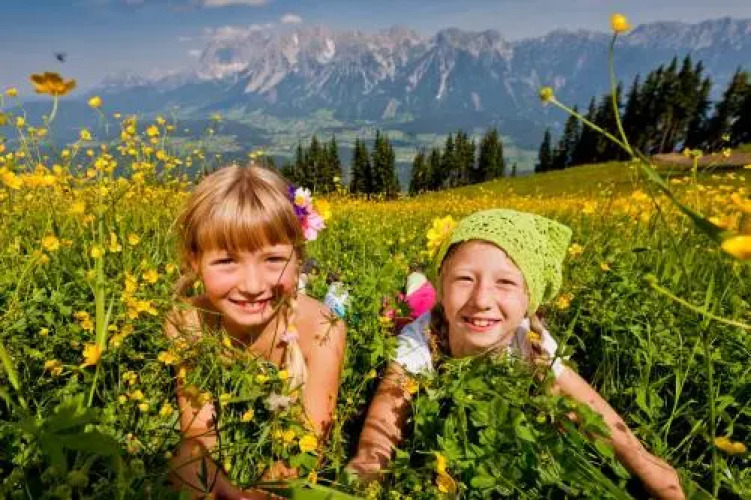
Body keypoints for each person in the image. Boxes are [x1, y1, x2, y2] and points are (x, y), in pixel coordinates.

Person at [347, 209, 684, 500]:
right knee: (412, 302)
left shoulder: (529, 340)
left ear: (528, 300)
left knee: (420, 295)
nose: (481, 299)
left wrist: (644, 463)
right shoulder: (420, 339)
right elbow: (385, 413)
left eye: (505, 283)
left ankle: (419, 283)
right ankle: (419, 283)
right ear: (444, 286)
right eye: (464, 278)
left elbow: (588, 406)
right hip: (431, 311)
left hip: (449, 309)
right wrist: (368, 464)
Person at [165, 165, 346, 500]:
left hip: (287, 465)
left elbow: (309, 443)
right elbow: (198, 432)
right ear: (194, 261)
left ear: (298, 259)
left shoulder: (322, 329)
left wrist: (259, 493)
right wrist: (216, 482)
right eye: (226, 261)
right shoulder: (187, 322)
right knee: (184, 464)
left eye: (273, 259)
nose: (252, 285)